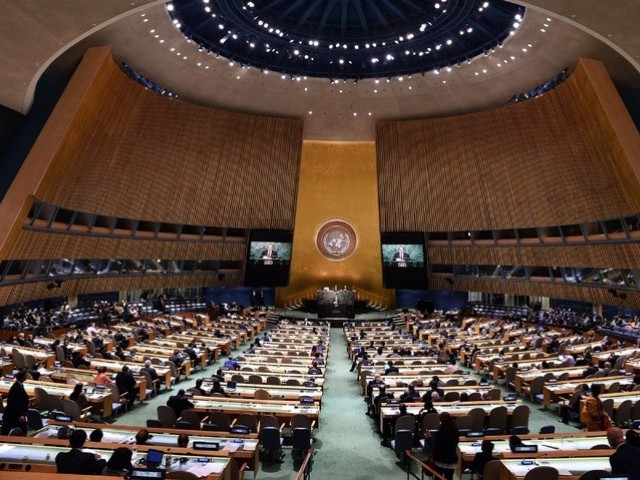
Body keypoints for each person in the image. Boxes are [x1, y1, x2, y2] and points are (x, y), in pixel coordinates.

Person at [429, 412, 459, 480]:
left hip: (440, 458)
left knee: (437, 478)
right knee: (449, 478)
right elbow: (455, 443)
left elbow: (436, 446)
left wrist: (428, 439)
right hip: (451, 458)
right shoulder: (455, 430)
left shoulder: (440, 432)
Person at [0, 370, 29, 435]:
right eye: (25, 376)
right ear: (22, 377)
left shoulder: (20, 386)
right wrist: (20, 415)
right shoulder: (15, 388)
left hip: (18, 413)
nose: (26, 377)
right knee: (5, 432)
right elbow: (14, 403)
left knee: (23, 430)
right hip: (12, 414)